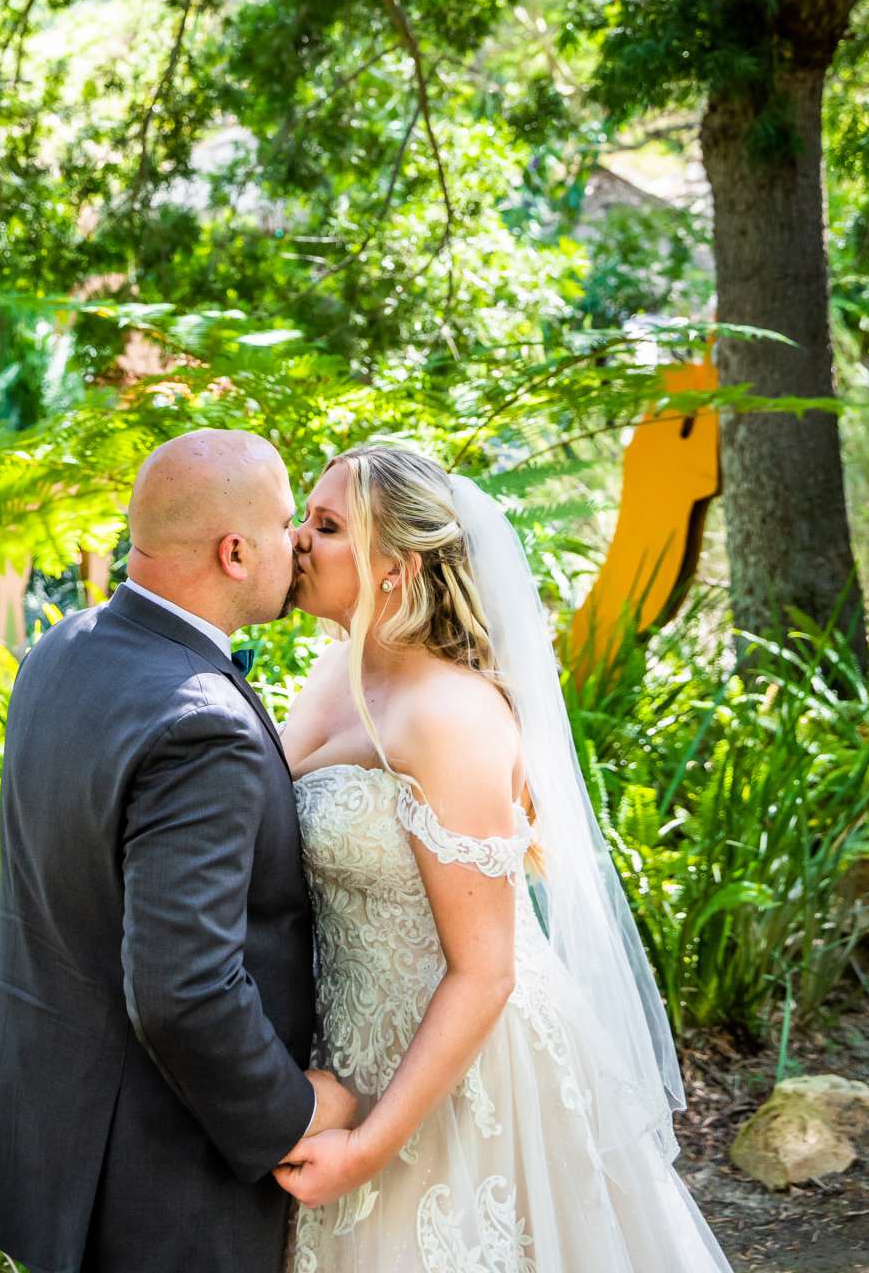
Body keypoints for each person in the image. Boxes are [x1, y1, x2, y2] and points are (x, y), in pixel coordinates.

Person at [276, 441, 734, 1273]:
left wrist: (370, 1148)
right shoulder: (339, 673)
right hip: (353, 1051)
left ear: (397, 569)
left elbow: (485, 972)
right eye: (305, 518)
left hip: (466, 1079)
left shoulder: (451, 714)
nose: (297, 539)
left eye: (328, 525)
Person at [0, 426, 357, 1273]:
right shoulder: (200, 724)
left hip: (50, 1135)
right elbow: (183, 990)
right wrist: (290, 1110)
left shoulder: (61, 646)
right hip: (154, 1178)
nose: (297, 542)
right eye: (288, 523)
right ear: (236, 553)